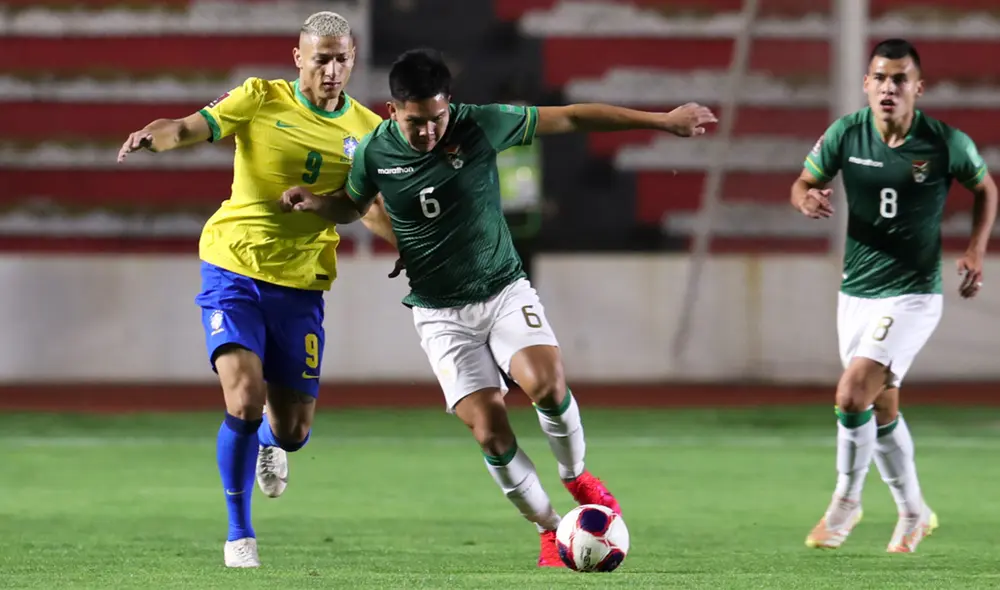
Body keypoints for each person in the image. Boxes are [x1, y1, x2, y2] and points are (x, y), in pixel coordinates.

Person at [278, 48, 716, 567]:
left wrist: (661, 121)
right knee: (489, 430)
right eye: (416, 122)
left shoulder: (480, 124)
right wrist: (316, 202)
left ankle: (577, 476)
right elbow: (352, 205)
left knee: (546, 384)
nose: (428, 131)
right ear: (393, 111)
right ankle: (550, 528)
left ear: (449, 103)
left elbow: (572, 117)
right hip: (440, 314)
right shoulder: (374, 152)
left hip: (502, 289)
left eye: (437, 117)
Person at [116, 12, 385, 567]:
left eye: (341, 59)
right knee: (243, 397)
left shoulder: (368, 130)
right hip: (233, 268)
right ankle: (240, 535)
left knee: (293, 431)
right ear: (299, 58)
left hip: (300, 284)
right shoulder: (260, 98)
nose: (332, 70)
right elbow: (188, 127)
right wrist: (154, 137)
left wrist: (409, 247)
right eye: (321, 59)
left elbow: (366, 205)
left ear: (353, 59)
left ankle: (269, 441)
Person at [791, 38, 997, 553]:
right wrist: (806, 198)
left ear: (917, 88)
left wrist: (975, 249)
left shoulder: (945, 143)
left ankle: (846, 501)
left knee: (851, 393)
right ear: (866, 84)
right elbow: (802, 183)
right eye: (880, 78)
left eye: (900, 79)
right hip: (856, 292)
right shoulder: (845, 133)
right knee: (880, 410)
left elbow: (986, 188)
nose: (889, 87)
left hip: (912, 294)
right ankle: (913, 512)